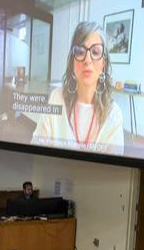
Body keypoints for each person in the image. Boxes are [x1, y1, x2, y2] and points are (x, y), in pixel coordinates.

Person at [31, 22, 125, 154]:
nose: (87, 60)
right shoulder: (56, 98)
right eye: (80, 52)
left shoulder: (114, 115)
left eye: (95, 52)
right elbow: (37, 149)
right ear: (72, 60)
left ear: (103, 63)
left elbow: (113, 171)